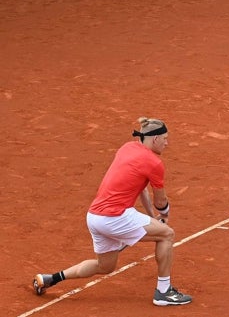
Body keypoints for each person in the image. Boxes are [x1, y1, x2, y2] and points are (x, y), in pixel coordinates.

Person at [33, 117, 192, 306]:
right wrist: (164, 214)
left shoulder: (127, 148)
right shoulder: (154, 163)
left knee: (104, 266)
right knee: (167, 235)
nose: (167, 143)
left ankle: (51, 278)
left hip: (94, 217)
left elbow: (140, 186)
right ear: (155, 139)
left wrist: (151, 216)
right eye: (165, 138)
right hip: (115, 217)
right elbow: (161, 200)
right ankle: (164, 292)